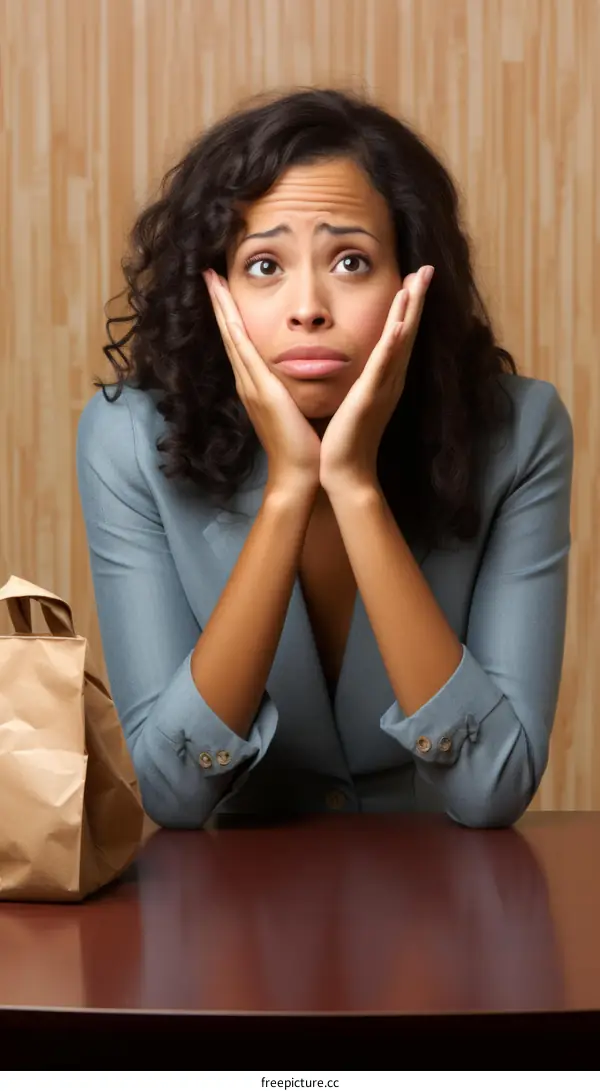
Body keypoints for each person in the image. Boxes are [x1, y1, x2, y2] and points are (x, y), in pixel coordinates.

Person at [76, 87, 573, 830]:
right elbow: (172, 793)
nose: (308, 305)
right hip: (227, 915)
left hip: (443, 906)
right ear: (215, 291)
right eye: (265, 265)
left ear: (412, 280)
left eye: (350, 260)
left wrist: (354, 484)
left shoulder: (521, 433)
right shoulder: (127, 440)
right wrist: (287, 493)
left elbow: (491, 787)